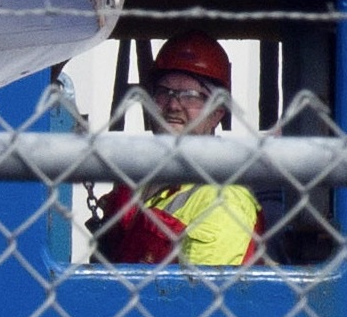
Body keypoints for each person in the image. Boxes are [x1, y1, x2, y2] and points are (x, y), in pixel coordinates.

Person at [90, 33, 265, 267]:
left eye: (191, 96)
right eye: (164, 92)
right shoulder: (136, 178)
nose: (173, 105)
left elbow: (199, 297)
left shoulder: (225, 201)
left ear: (216, 114)